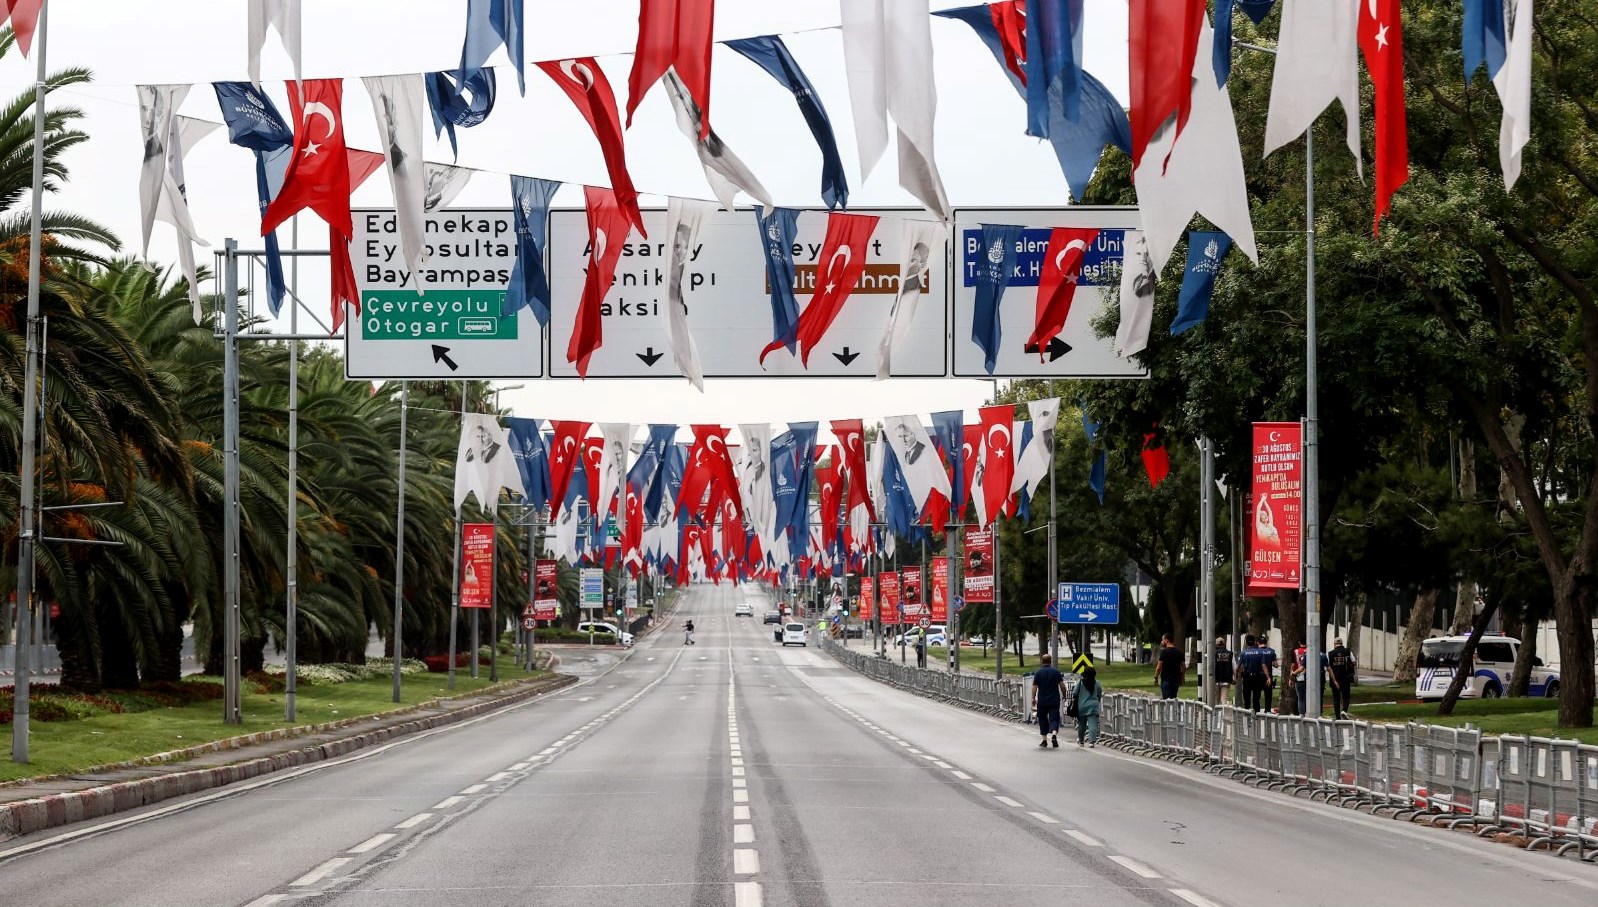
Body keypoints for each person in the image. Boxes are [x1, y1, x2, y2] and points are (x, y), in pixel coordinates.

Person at [1031, 654, 1067, 748]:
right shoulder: (1056, 672)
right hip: (1054, 699)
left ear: (1042, 661)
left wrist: (1033, 697)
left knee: (1042, 719)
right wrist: (1064, 695)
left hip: (1042, 700)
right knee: (1054, 718)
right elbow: (1062, 685)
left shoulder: (1038, 673)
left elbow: (1034, 686)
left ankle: (1044, 740)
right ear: (1050, 661)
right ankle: (1054, 734)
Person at [1073, 665, 1103, 747]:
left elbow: (1074, 693)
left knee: (1081, 724)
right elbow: (1099, 694)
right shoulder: (1097, 683)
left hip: (1082, 705)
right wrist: (1097, 701)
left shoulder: (1080, 682)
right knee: (1092, 724)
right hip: (1093, 706)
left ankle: (1081, 740)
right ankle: (1091, 741)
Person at [1328, 637, 1357, 718]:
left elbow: (1328, 667)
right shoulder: (1348, 651)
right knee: (1346, 697)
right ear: (1342, 643)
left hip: (1335, 680)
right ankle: (1344, 711)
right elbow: (1354, 662)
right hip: (1346, 678)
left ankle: (1337, 717)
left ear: (1334, 644)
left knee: (1336, 698)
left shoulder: (1330, 653)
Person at [1239, 635, 1266, 712]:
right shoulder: (1260, 652)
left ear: (1247, 643)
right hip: (1257, 677)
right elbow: (1263, 665)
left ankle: (1246, 714)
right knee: (1256, 698)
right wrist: (1268, 676)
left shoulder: (1243, 653)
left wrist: (1236, 674)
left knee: (1246, 697)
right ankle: (1256, 715)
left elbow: (1239, 666)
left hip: (1247, 677)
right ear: (1255, 642)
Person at [1154, 634, 1184, 699]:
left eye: (1162, 640)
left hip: (1166, 680)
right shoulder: (1179, 652)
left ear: (1166, 640)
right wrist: (1182, 677)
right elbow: (1183, 667)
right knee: (1173, 699)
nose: (1161, 642)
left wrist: (1156, 677)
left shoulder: (1164, 652)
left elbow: (1158, 668)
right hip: (1176, 680)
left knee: (1166, 700)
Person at [1258, 636, 1279, 713]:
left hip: (1258, 675)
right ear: (1266, 642)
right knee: (1268, 694)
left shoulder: (1256, 651)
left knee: (1257, 694)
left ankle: (1257, 710)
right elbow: (1276, 665)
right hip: (1268, 676)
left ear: (1258, 643)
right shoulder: (1271, 651)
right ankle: (1267, 710)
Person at [1212, 637, 1235, 707]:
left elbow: (1210, 666)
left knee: (1215, 699)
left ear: (1216, 644)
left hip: (1215, 679)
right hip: (1226, 679)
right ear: (1224, 644)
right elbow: (1234, 666)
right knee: (1224, 699)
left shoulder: (1213, 654)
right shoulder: (1230, 654)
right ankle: (1223, 715)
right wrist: (1234, 677)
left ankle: (1214, 715)